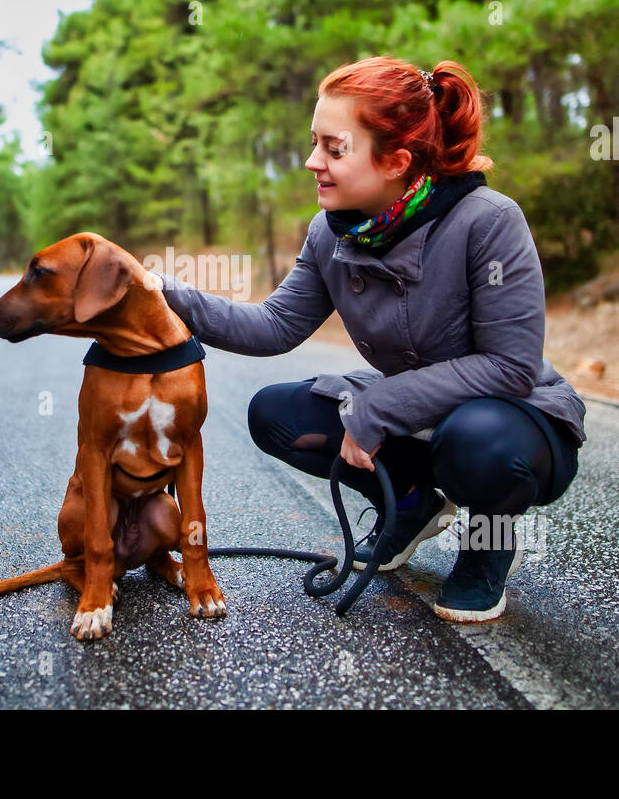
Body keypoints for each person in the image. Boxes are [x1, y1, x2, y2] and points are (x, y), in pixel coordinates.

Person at [149, 56, 586, 623]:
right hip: (416, 413)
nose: (313, 163)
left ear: (396, 161)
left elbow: (511, 367)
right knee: (276, 415)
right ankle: (410, 504)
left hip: (515, 418)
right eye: (314, 144)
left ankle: (487, 546)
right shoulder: (331, 232)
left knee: (475, 443)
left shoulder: (488, 220)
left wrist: (379, 406)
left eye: (334, 148)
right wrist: (161, 290)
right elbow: (276, 325)